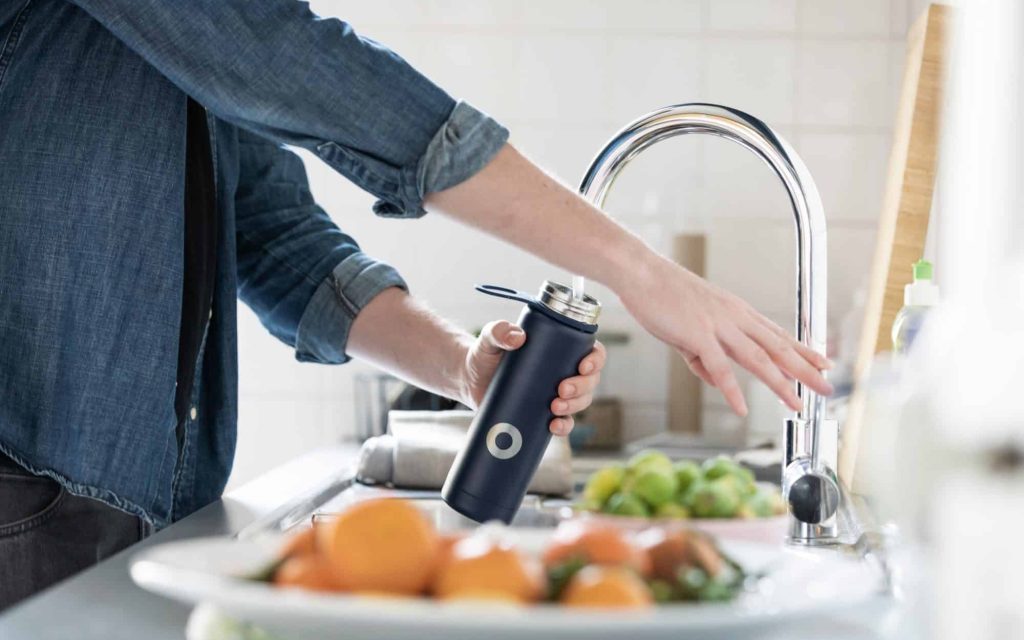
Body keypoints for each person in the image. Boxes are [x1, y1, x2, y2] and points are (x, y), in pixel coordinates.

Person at [0, 0, 832, 610]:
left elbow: (274, 236)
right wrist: (638, 270)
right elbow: (299, 65)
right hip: (21, 487)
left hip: (130, 502)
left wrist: (463, 366)